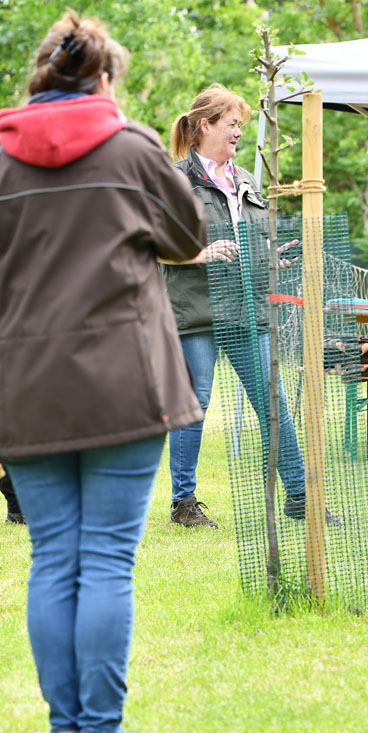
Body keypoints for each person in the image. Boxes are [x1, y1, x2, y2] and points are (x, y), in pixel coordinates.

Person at [0, 11, 206, 731]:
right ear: (106, 78)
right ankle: (100, 725)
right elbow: (187, 237)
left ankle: (67, 726)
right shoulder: (133, 148)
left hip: (24, 389)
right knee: (108, 561)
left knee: (54, 559)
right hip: (127, 383)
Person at [162, 84, 335, 528]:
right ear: (206, 126)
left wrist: (272, 257)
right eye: (233, 124)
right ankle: (184, 504)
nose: (240, 131)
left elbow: (248, 243)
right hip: (196, 309)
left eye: (242, 124)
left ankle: (299, 497)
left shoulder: (246, 181)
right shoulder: (176, 179)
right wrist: (198, 254)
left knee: (271, 399)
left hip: (246, 308)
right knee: (195, 403)